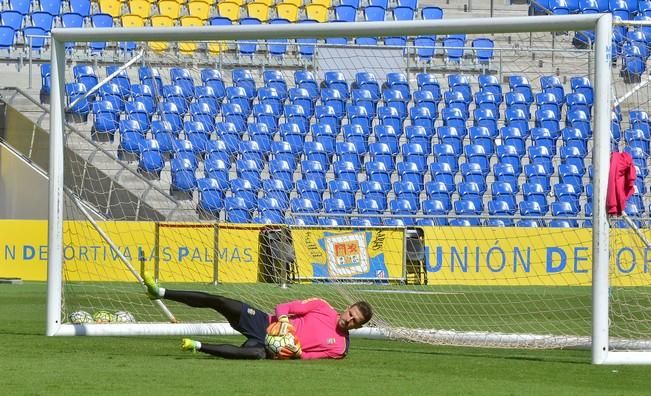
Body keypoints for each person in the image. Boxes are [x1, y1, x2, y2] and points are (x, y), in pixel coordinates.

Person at [142, 273, 373, 360]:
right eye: (351, 314)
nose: (349, 320)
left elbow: (309, 357)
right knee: (221, 302)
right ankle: (160, 292)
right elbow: (284, 305)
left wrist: (291, 350)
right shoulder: (321, 306)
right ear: (348, 307)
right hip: (265, 322)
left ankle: (197, 346)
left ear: (358, 327)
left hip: (273, 350)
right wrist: (283, 322)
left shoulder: (340, 348)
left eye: (355, 321)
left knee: (252, 353)